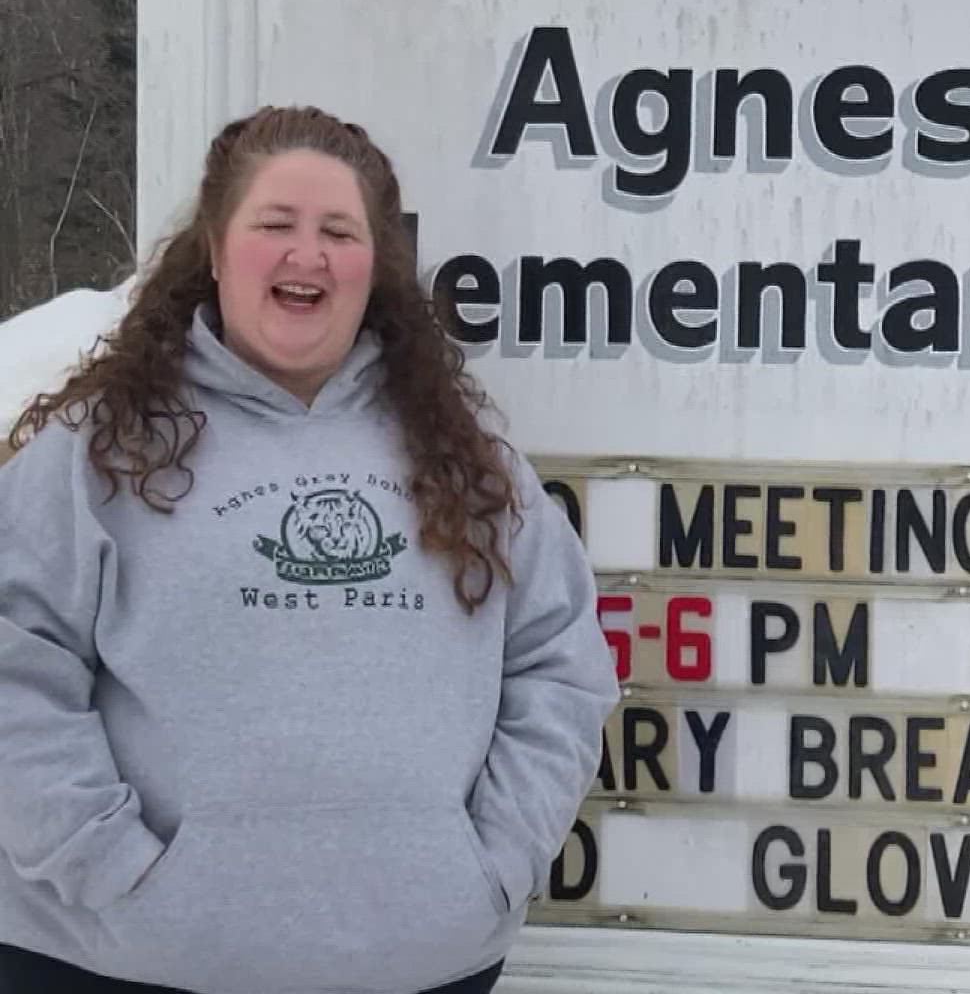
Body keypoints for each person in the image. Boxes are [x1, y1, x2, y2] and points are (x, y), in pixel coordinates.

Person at [0, 106, 621, 993]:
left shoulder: (465, 454)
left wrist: (492, 866)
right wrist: (111, 868)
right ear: (215, 249)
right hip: (121, 964)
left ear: (376, 266)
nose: (308, 254)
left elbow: (559, 665)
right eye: (275, 225)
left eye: (339, 231)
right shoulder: (94, 447)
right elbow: (14, 669)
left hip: (424, 965)